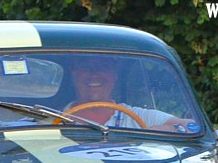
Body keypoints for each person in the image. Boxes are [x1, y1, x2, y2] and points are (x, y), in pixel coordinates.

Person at [65, 57, 200, 133]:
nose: (94, 74)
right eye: (84, 67)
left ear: (114, 75)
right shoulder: (51, 118)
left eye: (103, 66)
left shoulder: (136, 116)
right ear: (73, 74)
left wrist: (170, 128)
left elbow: (193, 127)